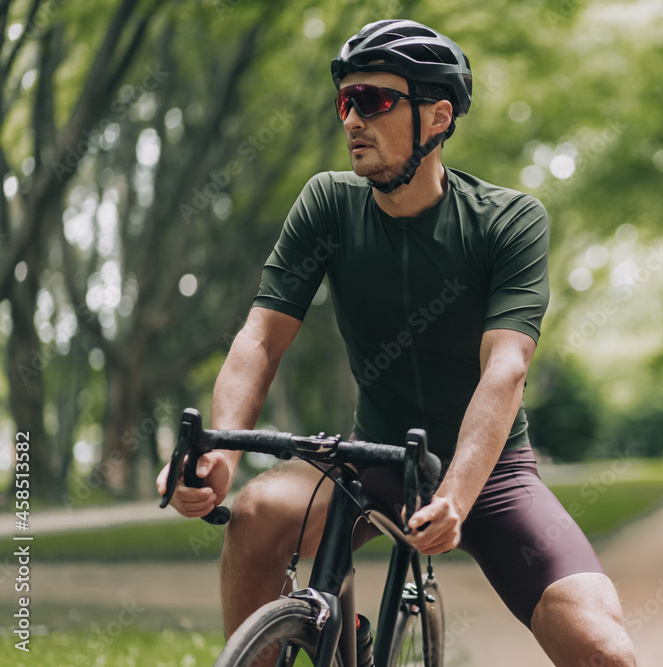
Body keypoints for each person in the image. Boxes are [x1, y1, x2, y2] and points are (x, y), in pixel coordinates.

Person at [158, 19, 637, 666]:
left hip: (491, 475)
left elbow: (505, 368)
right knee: (256, 512)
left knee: (603, 649)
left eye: (375, 100)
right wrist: (220, 452)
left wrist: (456, 495)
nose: (353, 119)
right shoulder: (328, 204)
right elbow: (261, 340)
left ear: (438, 117)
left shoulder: (509, 221)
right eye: (345, 102)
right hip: (371, 462)